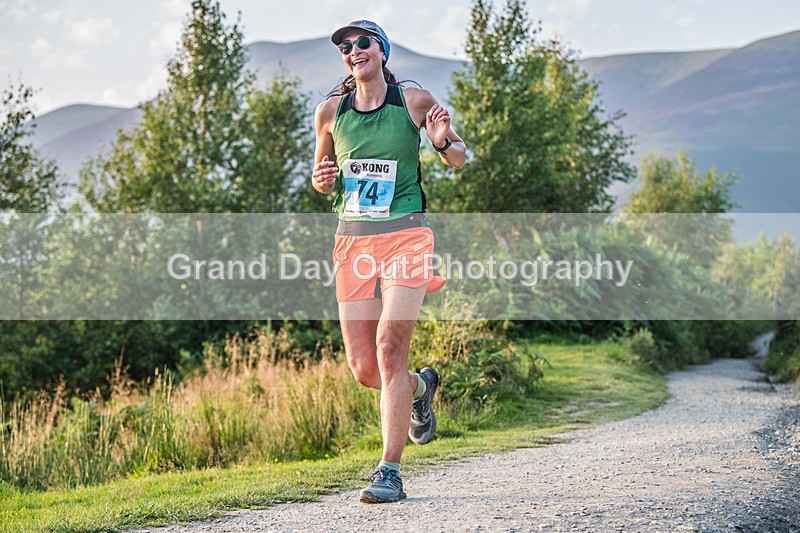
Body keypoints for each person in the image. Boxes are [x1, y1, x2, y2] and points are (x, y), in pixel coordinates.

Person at [311, 20, 466, 504]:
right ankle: (420, 389)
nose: (353, 51)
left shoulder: (413, 102)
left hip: (406, 236)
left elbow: (459, 157)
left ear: (382, 51)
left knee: (388, 348)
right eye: (345, 47)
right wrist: (322, 178)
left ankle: (389, 471)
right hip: (353, 242)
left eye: (362, 43)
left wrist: (441, 140)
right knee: (365, 370)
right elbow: (323, 180)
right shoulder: (330, 113)